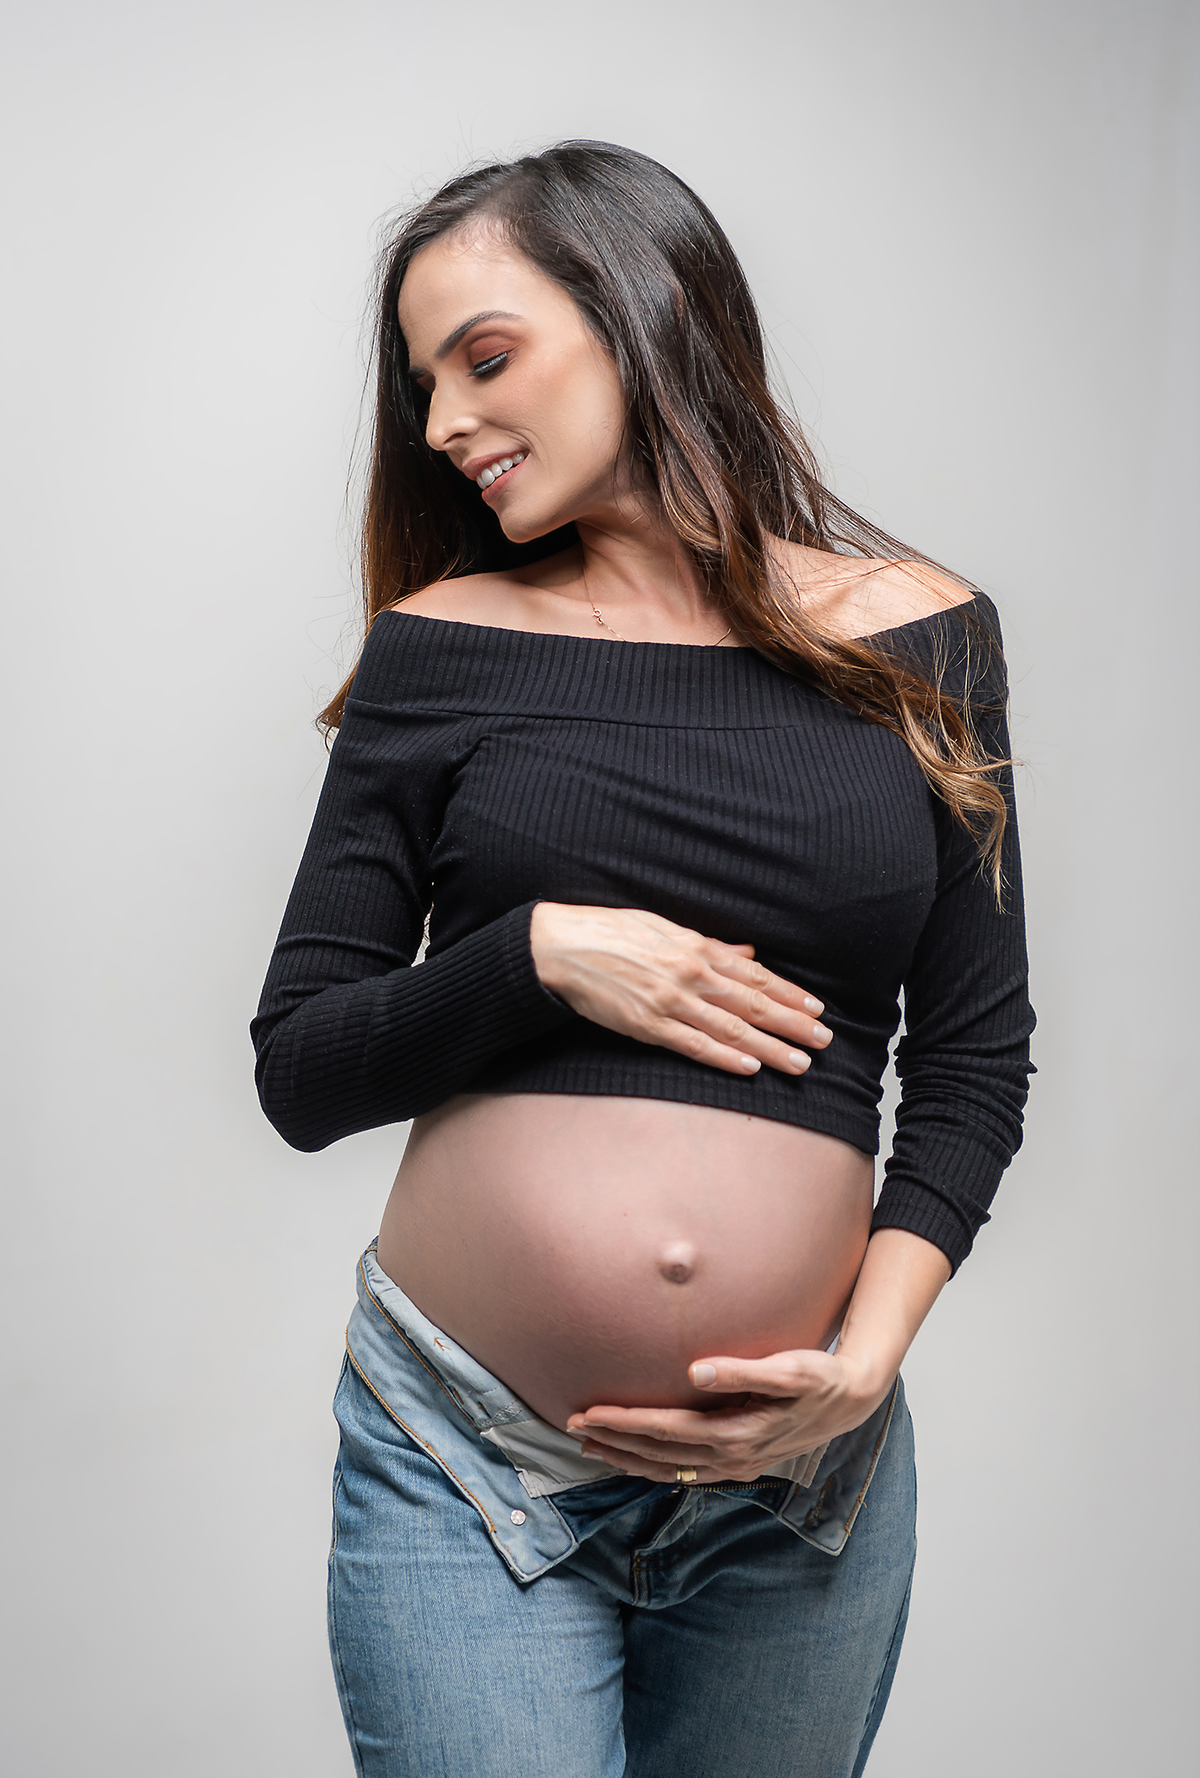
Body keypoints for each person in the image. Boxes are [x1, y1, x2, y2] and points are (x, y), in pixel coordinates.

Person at [251, 141, 1036, 1777]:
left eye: (486, 357)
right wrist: (536, 956)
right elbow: (302, 1065)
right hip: (466, 1448)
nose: (447, 421)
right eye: (424, 386)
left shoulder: (927, 638)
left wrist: (862, 1361)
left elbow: (972, 1060)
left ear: (644, 310)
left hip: (799, 1484)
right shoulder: (442, 646)